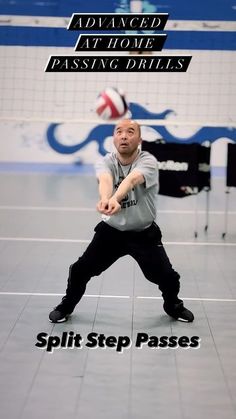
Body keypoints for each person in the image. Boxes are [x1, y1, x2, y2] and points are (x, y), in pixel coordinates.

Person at [49, 119, 194, 323]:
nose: (124, 135)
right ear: (114, 138)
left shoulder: (148, 161)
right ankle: (66, 306)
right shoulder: (105, 161)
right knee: (79, 270)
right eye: (119, 131)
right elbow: (106, 180)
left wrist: (115, 199)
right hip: (111, 232)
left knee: (168, 278)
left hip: (143, 234)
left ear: (139, 139)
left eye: (130, 131)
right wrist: (105, 200)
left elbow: (131, 180)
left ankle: (173, 306)